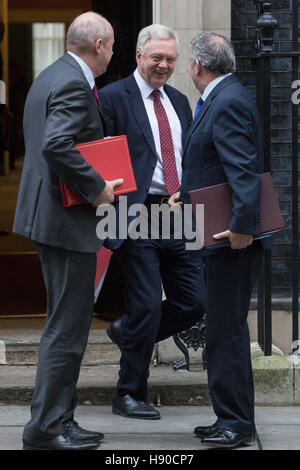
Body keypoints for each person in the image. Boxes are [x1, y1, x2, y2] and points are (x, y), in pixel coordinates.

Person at [13, 12, 122, 451]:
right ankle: (44, 431)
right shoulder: (75, 82)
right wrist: (96, 188)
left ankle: (62, 419)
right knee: (68, 328)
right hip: (65, 222)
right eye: (112, 46)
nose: (112, 55)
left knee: (66, 325)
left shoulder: (51, 74)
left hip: (51, 218)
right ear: (98, 45)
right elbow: (56, 144)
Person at [99, 24, 205, 420]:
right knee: (144, 305)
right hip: (136, 212)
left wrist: (191, 191)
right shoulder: (112, 98)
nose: (163, 65)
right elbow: (100, 157)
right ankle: (129, 393)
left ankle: (127, 333)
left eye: (170, 59)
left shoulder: (179, 100)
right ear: (139, 56)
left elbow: (190, 155)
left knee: (195, 302)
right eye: (157, 57)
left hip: (180, 211)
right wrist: (111, 212)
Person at [177, 32, 272, 449]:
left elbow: (243, 170)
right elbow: (215, 162)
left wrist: (242, 228)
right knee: (222, 329)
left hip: (230, 239)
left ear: (197, 65)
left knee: (225, 332)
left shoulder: (227, 100)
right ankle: (230, 418)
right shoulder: (224, 95)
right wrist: (188, 189)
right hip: (218, 230)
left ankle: (235, 423)